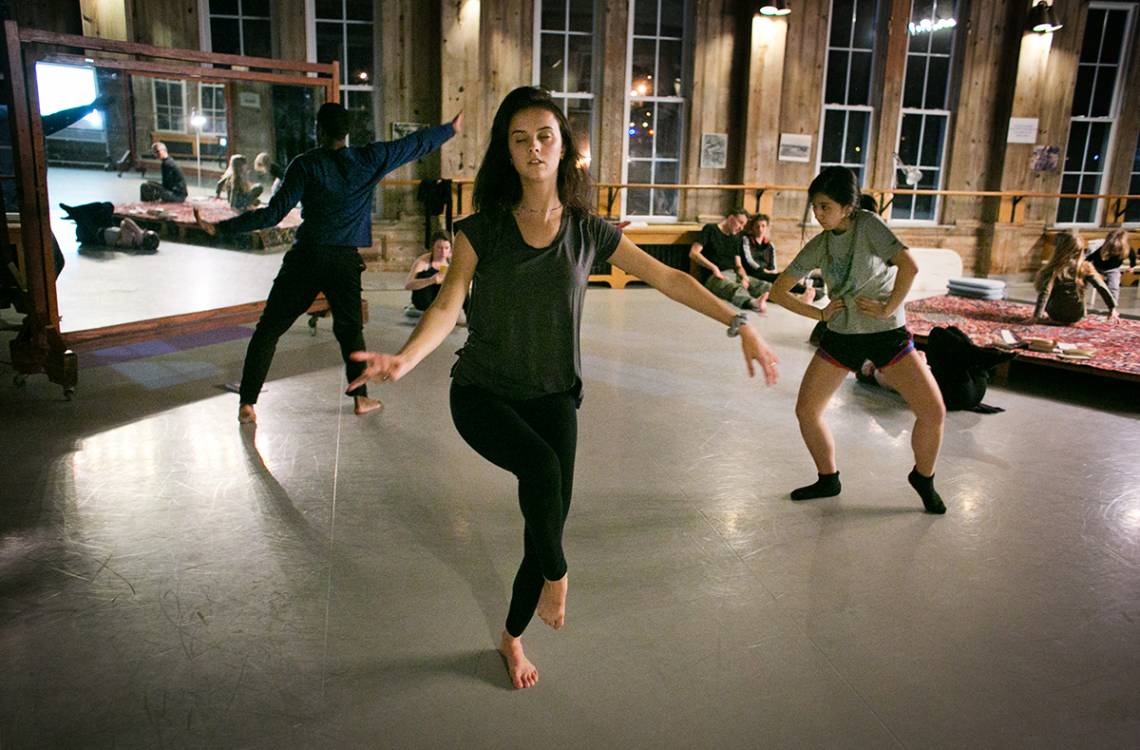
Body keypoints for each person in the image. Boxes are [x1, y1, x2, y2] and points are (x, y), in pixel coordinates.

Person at [346, 86, 779, 691]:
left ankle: (511, 637)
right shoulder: (481, 230)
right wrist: (406, 360)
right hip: (481, 393)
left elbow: (668, 279)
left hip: (554, 394)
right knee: (544, 479)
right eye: (519, 139)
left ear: (564, 148)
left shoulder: (587, 231)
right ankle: (559, 576)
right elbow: (446, 307)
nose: (533, 148)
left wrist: (741, 323)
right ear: (507, 150)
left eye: (544, 136)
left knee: (541, 523)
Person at [194, 102, 461, 424]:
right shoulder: (368, 159)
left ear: (318, 130)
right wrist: (449, 129)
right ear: (346, 132)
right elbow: (412, 145)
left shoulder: (305, 164)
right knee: (349, 331)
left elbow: (272, 214)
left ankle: (247, 403)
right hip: (343, 261)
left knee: (269, 330)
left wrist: (221, 227)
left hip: (306, 257)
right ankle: (361, 400)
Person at [770, 165, 948, 514]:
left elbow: (908, 266)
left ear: (847, 206)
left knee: (933, 412)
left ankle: (923, 478)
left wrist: (888, 308)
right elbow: (779, 291)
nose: (818, 214)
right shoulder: (820, 244)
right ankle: (828, 478)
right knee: (806, 410)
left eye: (825, 206)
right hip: (841, 337)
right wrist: (820, 315)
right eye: (815, 207)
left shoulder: (868, 225)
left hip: (887, 336)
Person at [689, 208, 769, 312]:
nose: (741, 228)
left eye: (743, 225)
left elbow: (738, 265)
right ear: (731, 218)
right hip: (715, 276)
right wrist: (714, 268)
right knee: (733, 289)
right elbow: (693, 253)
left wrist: (744, 277)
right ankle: (753, 303)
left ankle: (790, 298)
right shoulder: (710, 229)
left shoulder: (736, 237)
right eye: (740, 223)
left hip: (734, 275)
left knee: (764, 285)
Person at [1032, 232, 1118, 324]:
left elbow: (1045, 292)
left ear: (1059, 249)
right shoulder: (1085, 267)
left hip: (1055, 313)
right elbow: (1101, 286)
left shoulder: (1054, 268)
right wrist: (1112, 308)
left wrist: (1037, 316)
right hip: (1077, 315)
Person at [59, 201, 160, 252]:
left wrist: (137, 231)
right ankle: (74, 211)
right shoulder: (134, 236)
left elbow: (125, 223)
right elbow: (125, 221)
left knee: (84, 216)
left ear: (143, 240)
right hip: (105, 227)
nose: (144, 230)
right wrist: (138, 232)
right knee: (107, 206)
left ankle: (74, 212)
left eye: (145, 233)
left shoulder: (130, 242)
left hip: (92, 233)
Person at [404, 231, 455, 317]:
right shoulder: (423, 261)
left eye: (446, 248)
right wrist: (431, 280)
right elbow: (408, 285)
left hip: (442, 299)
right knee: (424, 274)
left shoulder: (453, 260)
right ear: (433, 247)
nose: (443, 252)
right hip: (425, 299)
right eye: (439, 248)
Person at [1085, 228, 1134, 306]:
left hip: (1113, 270)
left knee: (1114, 285)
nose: (1114, 251)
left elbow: (1132, 257)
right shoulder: (1103, 248)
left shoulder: (1127, 249)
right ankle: (1082, 299)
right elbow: (1091, 257)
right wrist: (1084, 263)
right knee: (1087, 281)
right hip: (1097, 268)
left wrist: (1131, 266)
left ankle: (1113, 305)